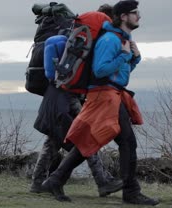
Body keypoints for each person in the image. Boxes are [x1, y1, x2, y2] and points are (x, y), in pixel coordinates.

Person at [41, 0, 160, 205]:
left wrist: (134, 59)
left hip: (112, 94)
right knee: (126, 142)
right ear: (123, 17)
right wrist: (124, 56)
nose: (138, 16)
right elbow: (100, 70)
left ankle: (55, 179)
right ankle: (131, 192)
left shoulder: (121, 39)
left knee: (91, 140)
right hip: (104, 96)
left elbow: (119, 75)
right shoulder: (110, 40)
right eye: (135, 13)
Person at [28, 4, 123, 197]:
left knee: (54, 138)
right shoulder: (96, 34)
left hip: (57, 90)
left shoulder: (78, 33)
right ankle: (102, 180)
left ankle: (38, 182)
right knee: (84, 134)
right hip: (69, 92)